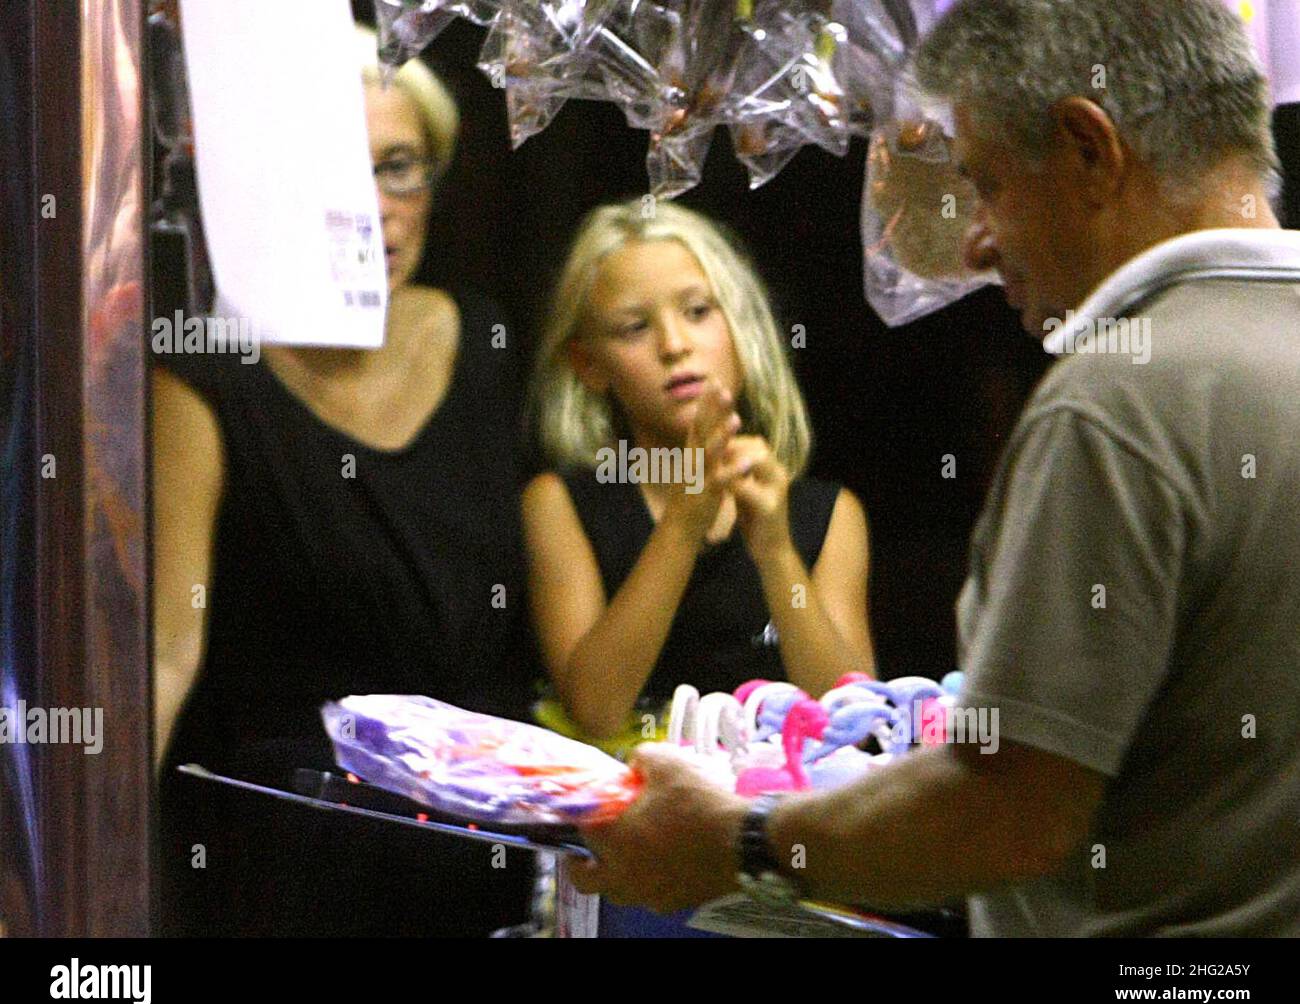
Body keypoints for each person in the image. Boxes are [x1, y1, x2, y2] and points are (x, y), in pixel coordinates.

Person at [569, 0, 1300, 937]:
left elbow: (1006, 811)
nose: (975, 243)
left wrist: (739, 839)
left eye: (986, 185)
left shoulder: (1117, 403)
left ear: (1090, 149)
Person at [153, 28, 535, 936]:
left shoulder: (484, 342)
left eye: (398, 167)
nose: (372, 209)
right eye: (337, 171)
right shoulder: (211, 373)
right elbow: (167, 650)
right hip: (280, 872)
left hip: (480, 864)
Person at [522, 200, 876, 744]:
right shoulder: (561, 503)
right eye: (634, 327)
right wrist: (685, 522)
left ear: (741, 329)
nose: (674, 345)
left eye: (697, 312)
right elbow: (593, 708)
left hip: (772, 814)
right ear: (589, 364)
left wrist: (777, 552)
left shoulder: (829, 516)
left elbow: (851, 726)